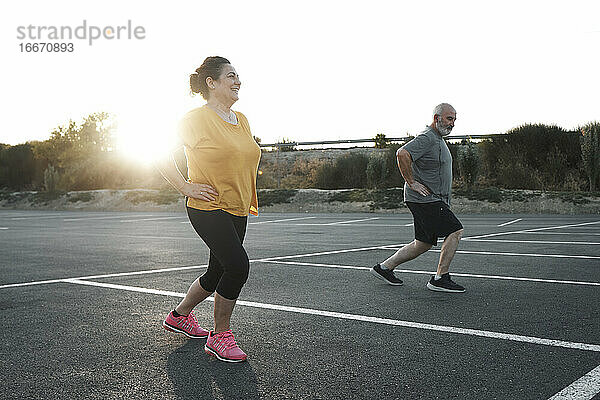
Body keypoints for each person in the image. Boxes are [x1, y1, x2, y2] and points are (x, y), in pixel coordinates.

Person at [156, 56, 261, 362]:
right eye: (231, 76)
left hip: (237, 205)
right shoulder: (193, 119)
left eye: (238, 75)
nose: (237, 81)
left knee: (217, 272)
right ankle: (220, 336)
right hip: (207, 205)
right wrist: (185, 187)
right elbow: (161, 155)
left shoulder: (241, 119)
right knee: (238, 266)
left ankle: (179, 315)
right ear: (211, 83)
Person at [370, 103, 465, 293]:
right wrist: (411, 182)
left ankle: (384, 268)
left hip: (430, 199)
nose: (452, 123)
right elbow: (402, 153)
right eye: (449, 118)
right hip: (425, 199)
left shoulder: (437, 138)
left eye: (454, 119)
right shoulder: (428, 137)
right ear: (437, 118)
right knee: (455, 231)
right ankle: (440, 278)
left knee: (423, 243)